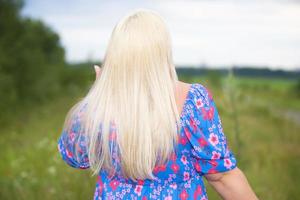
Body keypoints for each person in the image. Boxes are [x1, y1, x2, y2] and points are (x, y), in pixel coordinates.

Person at [57, 9, 258, 200]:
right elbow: (221, 177)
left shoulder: (99, 105)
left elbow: (74, 156)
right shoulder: (193, 99)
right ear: (163, 51)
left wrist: (97, 95)